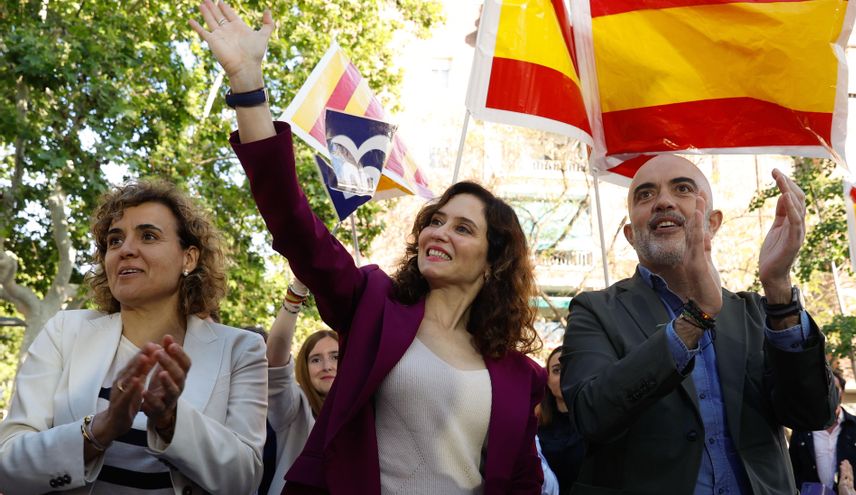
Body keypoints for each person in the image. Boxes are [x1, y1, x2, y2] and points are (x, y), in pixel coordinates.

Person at [189, 2, 546, 494]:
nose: (439, 232)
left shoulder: (518, 374)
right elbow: (294, 223)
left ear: (495, 260)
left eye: (463, 228)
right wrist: (249, 86)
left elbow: (521, 481)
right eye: (435, 220)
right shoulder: (373, 303)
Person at [560, 154, 838, 494]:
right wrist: (695, 319)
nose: (663, 201)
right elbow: (592, 416)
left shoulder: (756, 312)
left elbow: (812, 414)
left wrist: (778, 287)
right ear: (631, 234)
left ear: (713, 222)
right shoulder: (595, 311)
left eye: (682, 188)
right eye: (645, 195)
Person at [0, 179, 268, 494]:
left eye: (149, 236)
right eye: (114, 241)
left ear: (189, 258)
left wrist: (170, 421)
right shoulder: (64, 332)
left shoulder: (241, 350)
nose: (126, 250)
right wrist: (98, 431)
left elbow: (244, 480)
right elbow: (7, 466)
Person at [261, 277, 338, 495]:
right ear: (304, 368)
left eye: (336, 356)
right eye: (315, 359)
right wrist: (297, 291)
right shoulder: (294, 408)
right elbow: (275, 358)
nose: (326, 366)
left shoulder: (368, 410)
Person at [790, 369, 856, 493]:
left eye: (833, 389)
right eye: (822, 389)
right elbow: (793, 469)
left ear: (842, 392)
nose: (828, 394)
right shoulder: (802, 428)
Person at [537, 347, 585, 495]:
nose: (564, 376)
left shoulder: (595, 422)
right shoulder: (536, 428)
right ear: (548, 379)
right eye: (557, 370)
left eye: (570, 369)